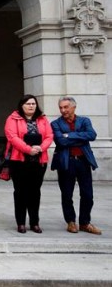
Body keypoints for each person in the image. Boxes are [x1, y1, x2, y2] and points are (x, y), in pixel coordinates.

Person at [51, 96, 102, 235]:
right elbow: (61, 142)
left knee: (87, 194)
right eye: (61, 107)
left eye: (66, 107)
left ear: (74, 107)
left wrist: (69, 135)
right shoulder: (55, 123)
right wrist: (79, 137)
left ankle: (85, 222)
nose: (63, 110)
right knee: (67, 194)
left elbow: (91, 135)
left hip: (83, 161)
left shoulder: (84, 120)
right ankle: (71, 222)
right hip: (66, 162)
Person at [4, 94, 54, 234]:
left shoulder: (42, 119)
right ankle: (21, 223)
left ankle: (34, 222)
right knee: (20, 192)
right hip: (19, 161)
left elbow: (49, 136)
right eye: (28, 104)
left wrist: (41, 148)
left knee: (35, 192)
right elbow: (12, 137)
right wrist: (28, 149)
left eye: (33, 103)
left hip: (38, 161)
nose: (31, 106)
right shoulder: (12, 118)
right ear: (22, 105)